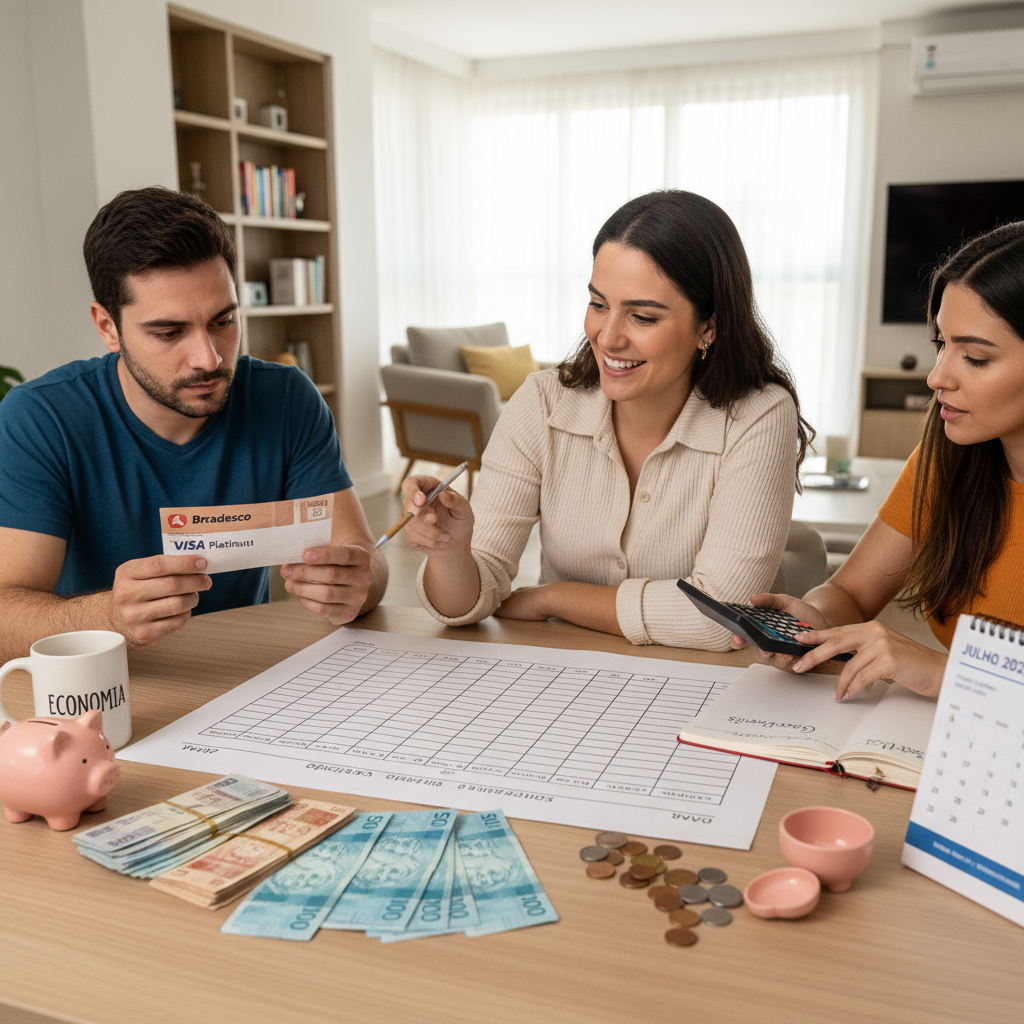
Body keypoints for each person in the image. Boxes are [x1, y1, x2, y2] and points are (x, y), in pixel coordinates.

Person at [401, 190, 812, 649]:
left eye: (641, 316)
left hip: (703, 684)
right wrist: (452, 552)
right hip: (566, 677)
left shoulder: (759, 414)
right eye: (599, 304)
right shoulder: (543, 402)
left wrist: (554, 598)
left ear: (709, 327)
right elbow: (464, 606)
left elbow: (720, 617)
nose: (608, 337)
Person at [0, 187, 386, 661]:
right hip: (109, 684)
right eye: (169, 332)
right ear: (107, 327)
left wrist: (356, 583)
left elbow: (367, 565)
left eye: (223, 320)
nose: (210, 358)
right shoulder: (41, 417)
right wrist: (110, 618)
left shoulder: (286, 399)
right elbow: (5, 611)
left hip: (245, 678)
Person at [734, 221, 1024, 700]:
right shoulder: (948, 461)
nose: (936, 378)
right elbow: (852, 592)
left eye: (974, 357)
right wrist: (815, 619)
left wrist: (942, 671)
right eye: (940, 345)